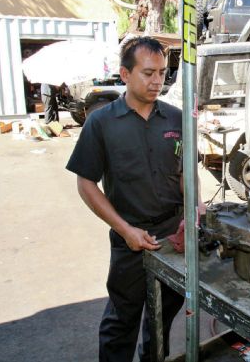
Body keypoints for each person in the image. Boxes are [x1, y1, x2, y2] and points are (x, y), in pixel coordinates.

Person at [66, 36, 186, 361]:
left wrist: (193, 213)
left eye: (162, 72)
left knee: (161, 319)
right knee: (122, 322)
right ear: (124, 74)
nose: (157, 80)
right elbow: (86, 184)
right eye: (148, 73)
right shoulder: (101, 123)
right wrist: (124, 229)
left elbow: (185, 172)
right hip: (129, 239)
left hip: (173, 239)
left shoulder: (177, 118)